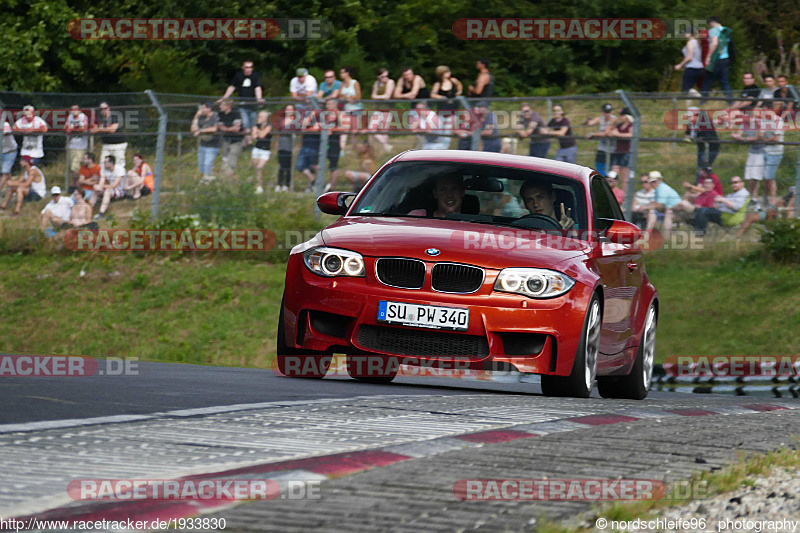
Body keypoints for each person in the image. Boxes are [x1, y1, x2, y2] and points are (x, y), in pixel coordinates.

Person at [730, 108, 766, 201]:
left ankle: (751, 196)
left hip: (761, 152)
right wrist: (736, 136)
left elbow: (758, 137)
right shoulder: (744, 124)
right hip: (752, 152)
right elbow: (740, 134)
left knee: (755, 176)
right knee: (750, 176)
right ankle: (753, 197)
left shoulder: (758, 123)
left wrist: (743, 139)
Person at [219, 60, 263, 133]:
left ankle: (249, 142)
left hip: (253, 106)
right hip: (242, 105)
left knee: (253, 126)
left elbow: (257, 87)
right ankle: (248, 142)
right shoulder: (238, 75)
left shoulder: (255, 75)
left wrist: (259, 98)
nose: (249, 69)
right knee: (245, 124)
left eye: (250, 67)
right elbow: (232, 87)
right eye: (247, 67)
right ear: (243, 67)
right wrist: (224, 98)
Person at [701, 16, 733, 104]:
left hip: (716, 59)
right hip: (725, 59)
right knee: (725, 81)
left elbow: (714, 44)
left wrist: (708, 57)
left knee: (708, 80)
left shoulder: (713, 30)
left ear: (712, 22)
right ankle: (730, 101)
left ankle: (703, 100)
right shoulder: (726, 31)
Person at [645, 171, 681, 239]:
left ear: (660, 180)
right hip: (669, 209)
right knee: (651, 212)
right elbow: (657, 204)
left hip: (676, 211)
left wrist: (646, 207)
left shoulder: (661, 188)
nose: (653, 184)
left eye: (654, 181)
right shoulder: (659, 188)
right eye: (651, 182)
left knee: (651, 212)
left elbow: (660, 205)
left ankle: (648, 234)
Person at [91, 102, 127, 170]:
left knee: (119, 164)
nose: (103, 110)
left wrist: (100, 129)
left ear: (109, 108)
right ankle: (104, 180)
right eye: (101, 109)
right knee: (102, 164)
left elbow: (112, 129)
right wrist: (100, 129)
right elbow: (92, 130)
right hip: (106, 144)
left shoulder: (114, 117)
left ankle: (120, 179)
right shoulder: (99, 119)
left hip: (118, 144)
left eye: (105, 108)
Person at [190, 101, 220, 182]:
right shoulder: (201, 117)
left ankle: (209, 180)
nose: (201, 110)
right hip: (203, 144)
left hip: (213, 145)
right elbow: (193, 129)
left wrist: (201, 130)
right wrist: (196, 116)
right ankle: (205, 181)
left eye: (203, 108)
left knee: (208, 164)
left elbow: (215, 128)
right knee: (201, 166)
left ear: (209, 108)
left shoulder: (215, 116)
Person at [585, 103, 616, 176]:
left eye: (609, 112)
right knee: (599, 167)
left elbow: (606, 132)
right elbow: (591, 123)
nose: (608, 114)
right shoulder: (600, 118)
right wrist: (588, 121)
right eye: (606, 112)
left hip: (611, 149)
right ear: (602, 112)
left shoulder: (613, 119)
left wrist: (593, 134)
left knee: (608, 169)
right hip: (602, 147)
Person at [91, 155, 125, 219]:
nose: (104, 164)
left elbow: (115, 185)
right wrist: (98, 187)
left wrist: (102, 186)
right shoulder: (104, 169)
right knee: (96, 191)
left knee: (107, 192)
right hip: (110, 188)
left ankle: (101, 213)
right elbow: (101, 181)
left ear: (111, 163)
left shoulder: (120, 169)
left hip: (120, 190)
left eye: (105, 162)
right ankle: (89, 210)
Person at [217, 99, 244, 179]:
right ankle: (223, 179)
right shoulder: (221, 114)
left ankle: (228, 179)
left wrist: (226, 129)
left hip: (236, 140)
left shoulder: (236, 113)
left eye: (222, 105)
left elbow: (237, 128)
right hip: (226, 140)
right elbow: (220, 127)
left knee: (231, 162)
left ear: (228, 105)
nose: (220, 107)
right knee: (224, 160)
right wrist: (230, 129)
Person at [607, 109, 634, 191]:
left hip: (626, 152)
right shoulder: (619, 126)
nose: (621, 117)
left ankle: (623, 194)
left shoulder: (631, 126)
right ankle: (612, 191)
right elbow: (610, 133)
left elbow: (631, 135)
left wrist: (618, 134)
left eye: (622, 115)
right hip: (617, 151)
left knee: (624, 176)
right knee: (613, 173)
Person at [370, 68, 395, 153]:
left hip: (387, 110)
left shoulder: (390, 82)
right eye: (383, 76)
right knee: (371, 129)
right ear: (379, 76)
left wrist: (378, 97)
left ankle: (385, 150)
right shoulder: (377, 83)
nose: (385, 78)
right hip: (377, 109)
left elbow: (387, 96)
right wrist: (381, 97)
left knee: (384, 131)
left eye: (386, 76)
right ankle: (386, 145)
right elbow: (373, 96)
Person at [338, 66, 362, 152]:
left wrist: (349, 97)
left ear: (347, 73)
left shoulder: (355, 83)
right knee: (344, 129)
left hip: (356, 110)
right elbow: (340, 96)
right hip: (346, 110)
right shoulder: (342, 84)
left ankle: (354, 148)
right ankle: (342, 149)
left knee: (354, 131)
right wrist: (347, 98)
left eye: (342, 72)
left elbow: (358, 97)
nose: (340, 74)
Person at [64, 105, 89, 187]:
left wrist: (73, 129)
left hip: (81, 146)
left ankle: (76, 184)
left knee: (76, 166)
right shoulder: (70, 117)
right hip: (72, 145)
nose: (74, 111)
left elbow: (84, 129)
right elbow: (66, 129)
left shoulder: (83, 117)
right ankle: (75, 184)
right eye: (72, 109)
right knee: (72, 166)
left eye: (76, 109)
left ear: (79, 110)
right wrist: (76, 128)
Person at [296, 111, 321, 192]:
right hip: (304, 146)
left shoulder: (319, 120)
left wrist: (307, 129)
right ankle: (314, 181)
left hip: (314, 147)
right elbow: (302, 127)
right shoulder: (308, 119)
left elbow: (317, 129)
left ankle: (312, 186)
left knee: (312, 167)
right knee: (300, 166)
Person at [675, 28, 704, 92]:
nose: (685, 34)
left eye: (686, 33)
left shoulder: (690, 42)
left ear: (690, 34)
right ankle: (697, 99)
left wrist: (680, 65)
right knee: (690, 89)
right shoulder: (698, 42)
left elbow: (689, 57)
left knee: (686, 90)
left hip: (691, 68)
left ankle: (701, 98)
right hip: (700, 68)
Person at [250, 110, 272, 194]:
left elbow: (262, 135)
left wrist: (257, 130)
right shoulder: (256, 126)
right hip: (257, 149)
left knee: (260, 167)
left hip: (265, 150)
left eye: (261, 116)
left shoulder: (269, 126)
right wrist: (257, 131)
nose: (259, 118)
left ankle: (260, 186)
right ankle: (257, 184)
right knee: (256, 169)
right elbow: (254, 136)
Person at [275, 104, 295, 192]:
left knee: (288, 166)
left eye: (291, 109)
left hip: (289, 146)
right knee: (281, 165)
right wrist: (276, 144)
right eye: (288, 109)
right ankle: (279, 184)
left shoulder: (294, 121)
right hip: (281, 146)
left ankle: (287, 185)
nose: (289, 111)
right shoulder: (281, 120)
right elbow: (277, 133)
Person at [1, 106, 18, 189]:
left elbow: (4, 133)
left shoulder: (5, 124)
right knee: (7, 174)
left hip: (10, 151)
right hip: (3, 152)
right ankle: (11, 190)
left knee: (5, 173)